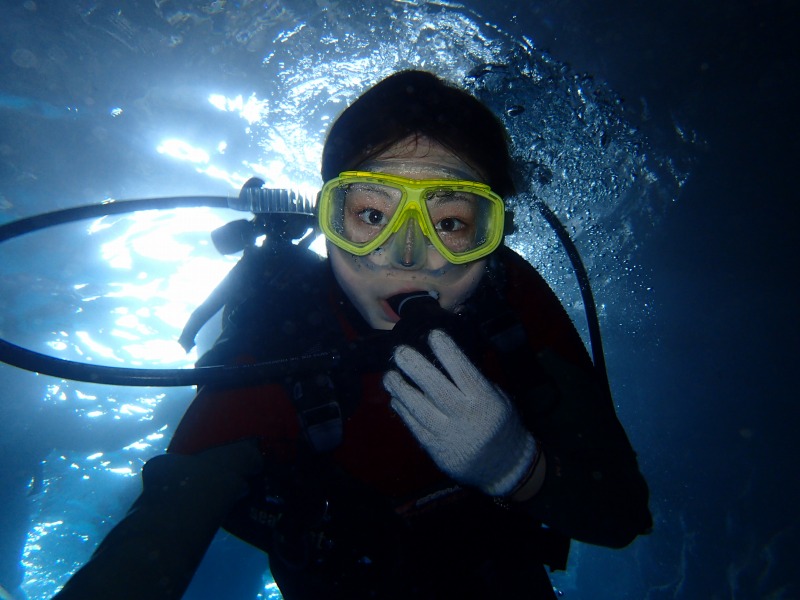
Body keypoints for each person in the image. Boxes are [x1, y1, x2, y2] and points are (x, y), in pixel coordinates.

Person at [54, 70, 652, 599]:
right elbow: (150, 544)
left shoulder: (511, 308)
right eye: (371, 215)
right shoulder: (278, 344)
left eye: (449, 222)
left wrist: (519, 468)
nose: (409, 256)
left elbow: (622, 516)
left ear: (492, 235)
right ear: (328, 219)